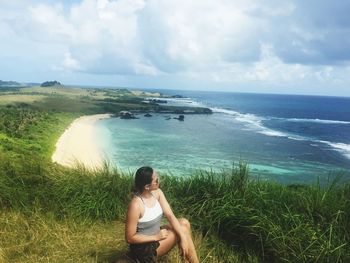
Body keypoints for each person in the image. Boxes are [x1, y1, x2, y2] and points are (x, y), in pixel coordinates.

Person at [125, 166, 199, 263]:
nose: (158, 181)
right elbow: (129, 238)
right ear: (147, 186)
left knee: (184, 222)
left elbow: (170, 216)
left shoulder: (157, 193)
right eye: (156, 180)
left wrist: (183, 239)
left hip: (156, 235)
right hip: (144, 247)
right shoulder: (136, 205)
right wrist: (156, 237)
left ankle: (185, 260)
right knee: (184, 230)